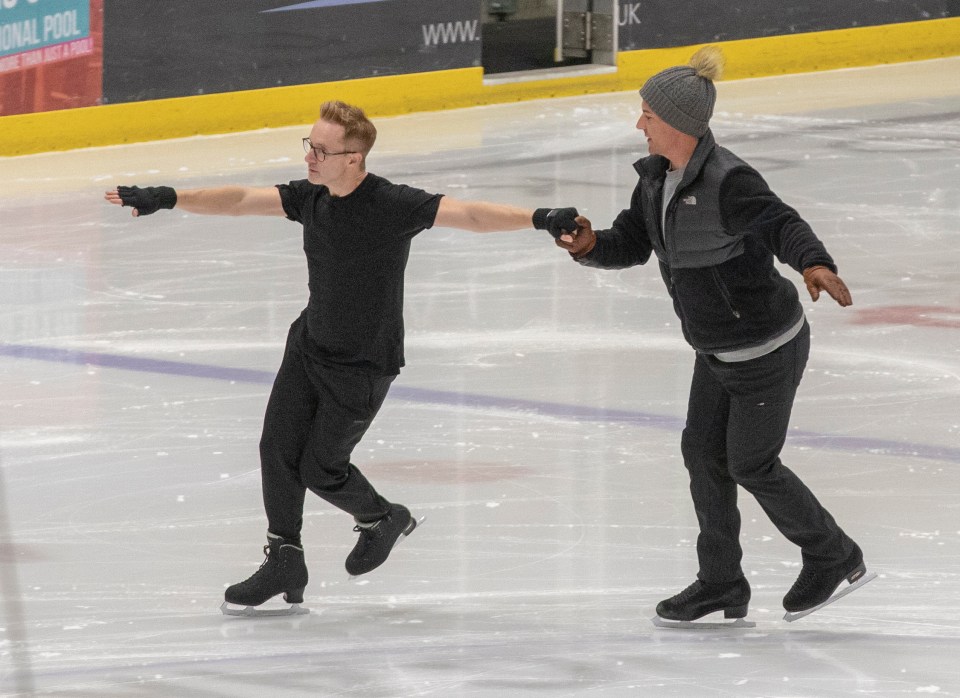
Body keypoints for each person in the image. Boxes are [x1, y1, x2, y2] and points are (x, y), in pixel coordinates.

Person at [105, 100, 576, 611]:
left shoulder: (392, 204)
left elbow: (471, 215)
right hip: (308, 346)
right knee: (276, 451)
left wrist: (540, 217)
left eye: (322, 150)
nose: (310, 157)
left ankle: (382, 518)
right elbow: (240, 198)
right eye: (309, 146)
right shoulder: (312, 198)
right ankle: (284, 557)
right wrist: (169, 196)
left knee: (322, 468)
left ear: (354, 157)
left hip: (364, 363)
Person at [553, 47, 869, 623]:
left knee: (751, 462)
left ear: (675, 123)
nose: (639, 124)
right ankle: (722, 582)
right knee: (703, 455)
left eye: (646, 114)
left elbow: (781, 223)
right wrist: (590, 244)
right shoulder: (655, 180)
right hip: (715, 350)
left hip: (767, 348)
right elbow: (631, 241)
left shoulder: (729, 181)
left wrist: (814, 263)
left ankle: (833, 554)